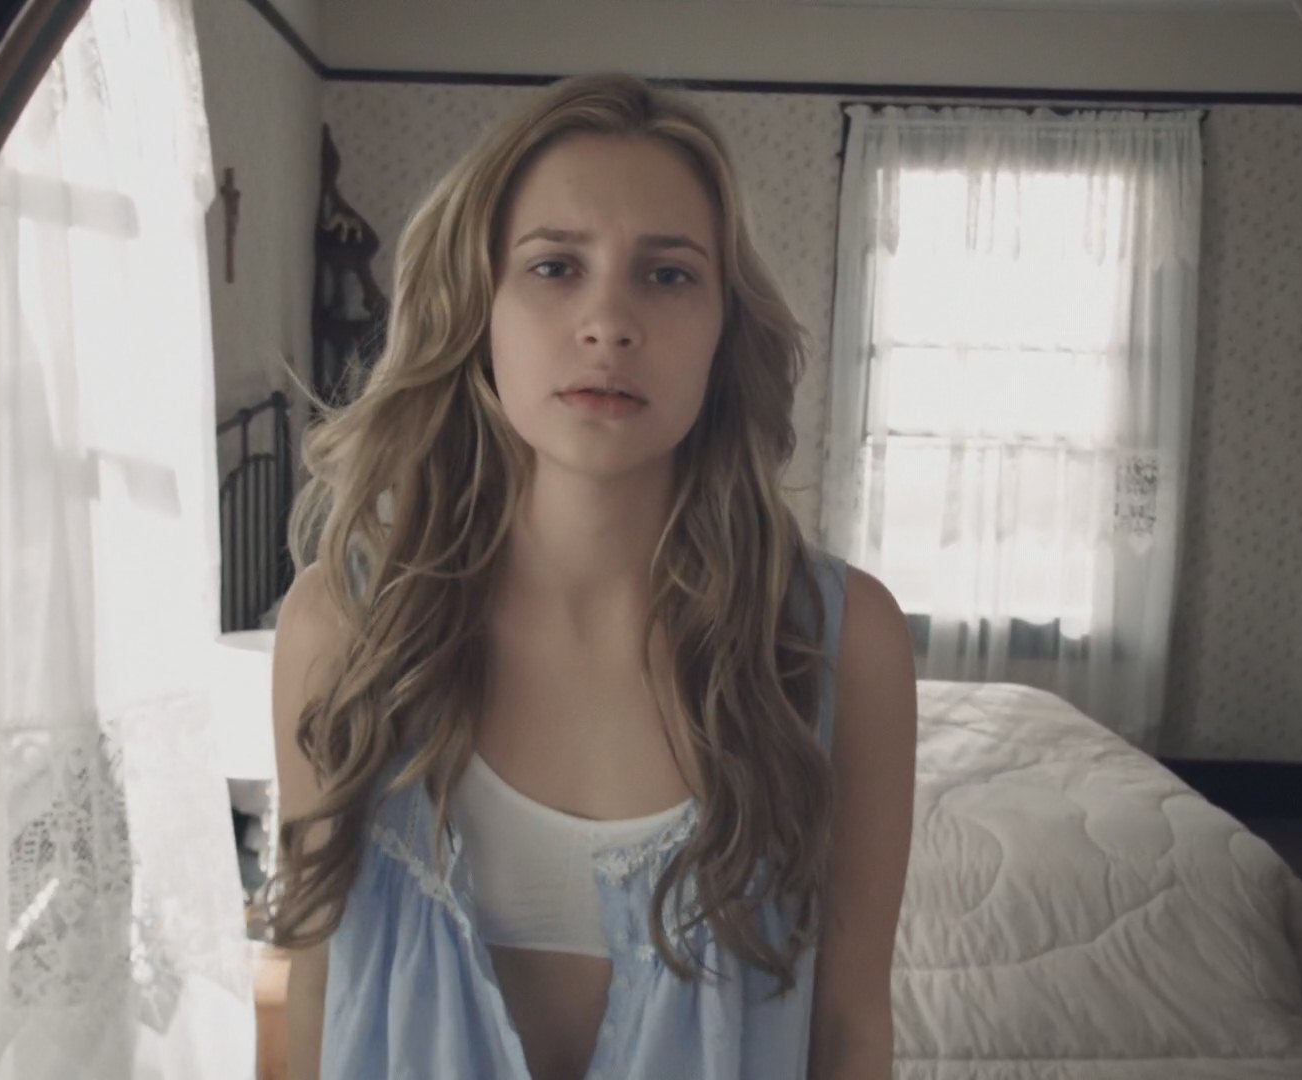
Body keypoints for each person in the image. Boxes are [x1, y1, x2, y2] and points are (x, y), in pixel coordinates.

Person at [262, 73, 917, 1080]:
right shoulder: (343, 625)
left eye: (668, 275)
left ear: (723, 327)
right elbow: (314, 988)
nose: (609, 322)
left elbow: (850, 1031)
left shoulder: (840, 640)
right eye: (556, 265)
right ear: (479, 305)